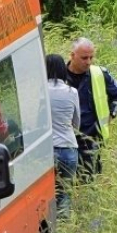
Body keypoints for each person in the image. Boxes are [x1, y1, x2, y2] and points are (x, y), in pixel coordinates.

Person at [66, 38, 117, 181]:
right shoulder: (59, 76)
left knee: (89, 179)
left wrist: (112, 114)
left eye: (91, 57)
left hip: (91, 135)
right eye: (84, 58)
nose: (88, 61)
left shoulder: (99, 74)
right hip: (66, 137)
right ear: (72, 55)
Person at [46, 54, 80, 218]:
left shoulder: (42, 90)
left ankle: (51, 230)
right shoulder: (72, 91)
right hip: (69, 147)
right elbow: (76, 122)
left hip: (48, 150)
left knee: (49, 193)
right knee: (65, 192)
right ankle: (64, 226)